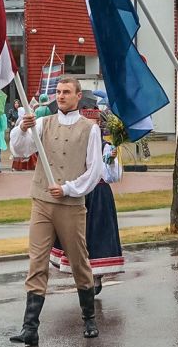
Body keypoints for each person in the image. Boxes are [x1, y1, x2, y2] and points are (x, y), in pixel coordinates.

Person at [7, 78, 106, 347]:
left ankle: (88, 317)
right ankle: (30, 327)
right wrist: (22, 129)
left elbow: (94, 170)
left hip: (71, 205)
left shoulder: (90, 129)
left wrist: (69, 188)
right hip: (41, 201)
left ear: (77, 96)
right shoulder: (42, 123)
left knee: (78, 261)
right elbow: (19, 150)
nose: (60, 96)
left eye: (66, 92)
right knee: (36, 262)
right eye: (58, 92)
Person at [50, 105, 124, 294]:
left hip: (99, 196)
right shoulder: (75, 145)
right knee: (76, 234)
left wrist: (111, 160)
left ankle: (96, 275)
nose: (92, 128)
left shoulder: (107, 147)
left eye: (96, 124)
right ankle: (82, 273)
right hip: (79, 193)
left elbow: (112, 176)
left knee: (97, 234)